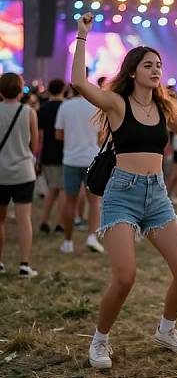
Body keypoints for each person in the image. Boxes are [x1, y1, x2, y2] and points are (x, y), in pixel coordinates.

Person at [71, 13, 177, 370]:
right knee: (125, 276)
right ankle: (100, 340)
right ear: (132, 72)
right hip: (122, 194)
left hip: (156, 195)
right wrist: (83, 36)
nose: (156, 70)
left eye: (158, 65)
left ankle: (166, 330)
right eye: (148, 65)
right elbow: (80, 82)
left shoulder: (163, 107)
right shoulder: (117, 104)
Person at [55, 85, 103, 254]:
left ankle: (68, 242)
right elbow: (101, 135)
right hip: (92, 158)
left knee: (70, 201)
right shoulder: (96, 106)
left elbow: (58, 135)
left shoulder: (65, 106)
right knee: (94, 202)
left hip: (71, 159)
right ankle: (92, 237)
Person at [0, 73, 39, 277]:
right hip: (24, 172)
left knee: (0, 220)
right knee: (24, 219)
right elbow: (34, 145)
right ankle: (24, 265)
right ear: (20, 89)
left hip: (1, 172)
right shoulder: (28, 112)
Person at [37, 78, 66, 235]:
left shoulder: (43, 108)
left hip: (47, 153)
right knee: (62, 190)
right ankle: (60, 224)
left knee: (52, 189)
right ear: (63, 90)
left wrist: (39, 156)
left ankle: (44, 221)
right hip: (63, 153)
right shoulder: (66, 107)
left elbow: (40, 135)